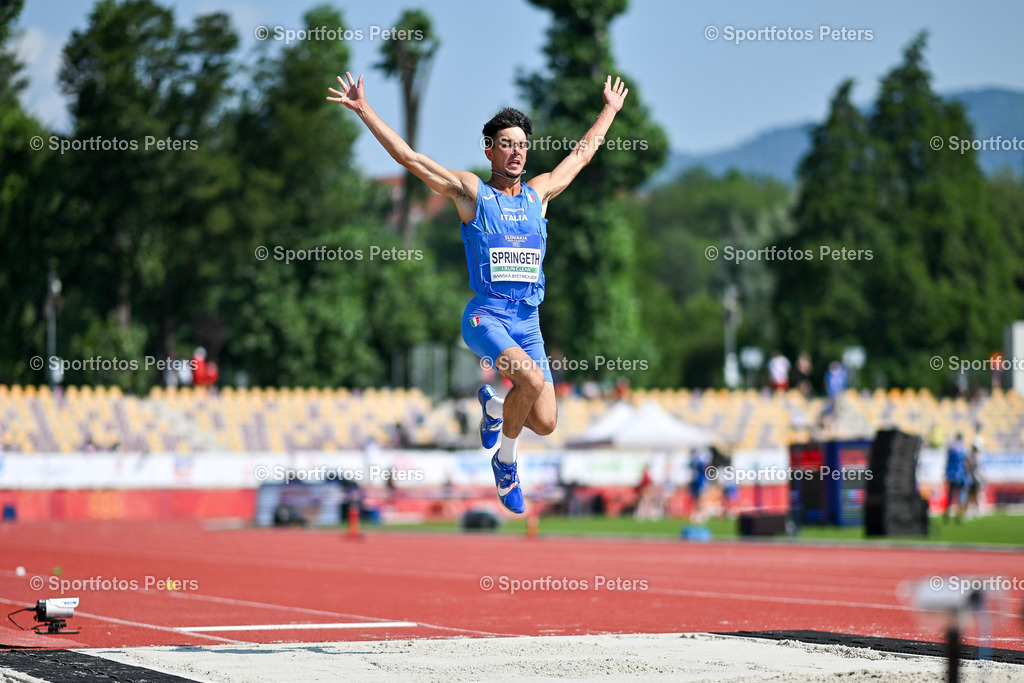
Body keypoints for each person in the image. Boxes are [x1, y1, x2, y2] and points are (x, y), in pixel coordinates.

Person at [328, 72, 630, 514]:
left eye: (522, 144)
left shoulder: (539, 195)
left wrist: (610, 111)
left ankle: (492, 409)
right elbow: (411, 159)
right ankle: (505, 464)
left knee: (545, 422)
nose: (516, 152)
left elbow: (582, 156)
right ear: (488, 149)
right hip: (485, 318)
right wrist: (364, 111)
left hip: (528, 322)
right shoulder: (472, 193)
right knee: (529, 378)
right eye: (506, 144)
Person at [943, 432, 968, 522]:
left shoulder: (951, 448)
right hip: (960, 475)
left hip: (951, 474)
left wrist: (946, 473)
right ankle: (959, 515)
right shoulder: (962, 449)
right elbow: (965, 462)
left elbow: (947, 462)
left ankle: (947, 513)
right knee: (960, 495)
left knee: (950, 495)